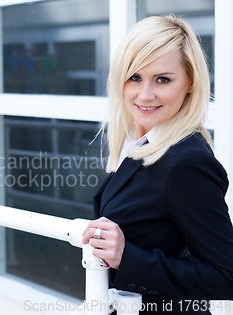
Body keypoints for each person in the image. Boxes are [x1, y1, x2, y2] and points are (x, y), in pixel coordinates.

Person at [82, 15, 233, 314]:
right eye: (135, 77)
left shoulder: (187, 162)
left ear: (190, 83)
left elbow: (225, 277)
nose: (145, 94)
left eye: (163, 79)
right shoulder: (140, 143)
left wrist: (127, 257)